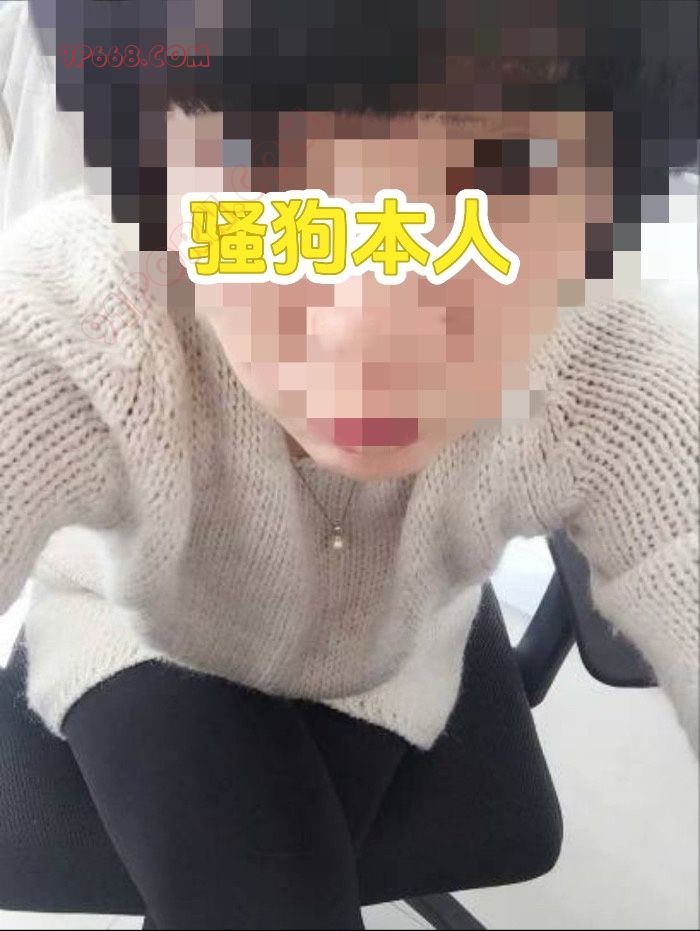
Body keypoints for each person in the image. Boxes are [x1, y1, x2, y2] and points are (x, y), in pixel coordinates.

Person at [0, 1, 697, 928]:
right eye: (268, 187)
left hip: (384, 668)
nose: (369, 330)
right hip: (142, 631)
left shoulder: (598, 362)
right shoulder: (93, 313)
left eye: (489, 192)